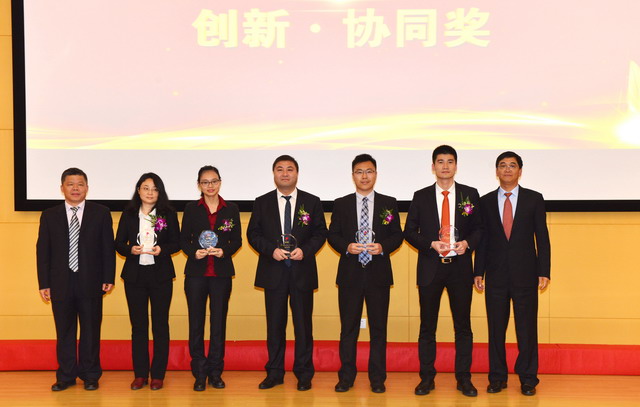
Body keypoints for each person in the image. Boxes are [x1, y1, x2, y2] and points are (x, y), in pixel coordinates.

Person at [404, 145, 483, 397]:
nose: (445, 166)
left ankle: (464, 379)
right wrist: (430, 244)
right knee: (427, 327)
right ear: (433, 166)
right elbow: (409, 231)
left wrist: (467, 243)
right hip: (431, 268)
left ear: (456, 166)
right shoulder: (421, 196)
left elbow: (480, 229)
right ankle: (427, 378)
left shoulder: (470, 194)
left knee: (463, 327)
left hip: (460, 269)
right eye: (440, 161)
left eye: (450, 161)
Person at [247, 155, 328, 391]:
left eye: (290, 169)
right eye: (280, 169)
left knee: (303, 326)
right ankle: (274, 373)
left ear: (297, 173)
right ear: (274, 174)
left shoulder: (311, 202)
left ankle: (304, 373)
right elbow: (253, 234)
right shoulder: (262, 202)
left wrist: (306, 250)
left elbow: (320, 233)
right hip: (273, 272)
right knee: (274, 327)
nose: (285, 173)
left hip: (302, 272)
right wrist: (270, 250)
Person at [473, 151, 551, 396]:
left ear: (520, 171)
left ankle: (528, 378)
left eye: (512, 165)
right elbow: (483, 240)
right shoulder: (485, 201)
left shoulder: (534, 199)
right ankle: (497, 377)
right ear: (496, 171)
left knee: (526, 329)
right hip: (495, 274)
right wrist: (478, 271)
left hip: (526, 274)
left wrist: (544, 270)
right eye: (502, 165)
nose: (507, 169)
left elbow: (542, 237)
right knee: (496, 329)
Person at [328, 154, 403, 394]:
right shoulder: (341, 203)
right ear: (353, 176)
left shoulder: (388, 203)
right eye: (359, 172)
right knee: (348, 328)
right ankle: (346, 377)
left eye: (369, 171)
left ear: (376, 174)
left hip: (378, 274)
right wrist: (346, 246)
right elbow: (332, 234)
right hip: (350, 274)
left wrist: (383, 247)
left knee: (379, 329)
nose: (364, 176)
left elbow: (397, 235)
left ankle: (377, 378)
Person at [36, 167, 115, 391]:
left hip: (91, 280)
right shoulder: (49, 215)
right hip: (60, 282)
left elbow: (107, 248)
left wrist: (108, 276)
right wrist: (44, 282)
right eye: (70, 184)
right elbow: (43, 251)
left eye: (80, 184)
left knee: (91, 330)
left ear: (87, 188)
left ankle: (90, 375)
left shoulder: (101, 212)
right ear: (62, 188)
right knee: (64, 331)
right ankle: (66, 375)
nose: (75, 188)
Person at [115, 173, 180, 391]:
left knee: (160, 325)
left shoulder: (168, 214)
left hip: (160, 275)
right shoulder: (129, 213)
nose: (150, 192)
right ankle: (140, 374)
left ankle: (158, 375)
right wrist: (130, 250)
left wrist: (162, 249)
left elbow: (177, 243)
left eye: (154, 189)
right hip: (134, 276)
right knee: (138, 326)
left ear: (160, 192)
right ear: (138, 190)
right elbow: (118, 243)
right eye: (146, 188)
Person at [180, 165, 242, 391]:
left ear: (220, 182)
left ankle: (215, 372)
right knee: (196, 323)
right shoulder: (191, 209)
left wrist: (224, 251)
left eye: (214, 181)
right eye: (205, 182)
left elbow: (237, 240)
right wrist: (193, 252)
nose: (210, 186)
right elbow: (183, 239)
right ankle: (199, 372)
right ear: (199, 185)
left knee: (218, 324)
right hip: (196, 274)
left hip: (220, 274)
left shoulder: (231, 209)